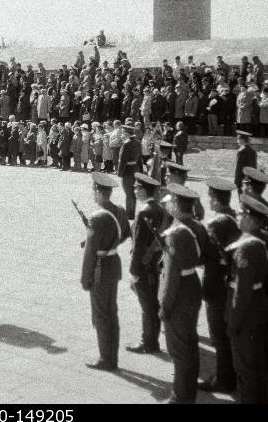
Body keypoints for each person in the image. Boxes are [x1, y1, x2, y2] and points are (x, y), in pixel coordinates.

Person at [159, 183, 204, 403]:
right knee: (190, 342)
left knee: (179, 348)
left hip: (179, 292)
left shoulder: (175, 234)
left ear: (177, 205)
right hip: (192, 284)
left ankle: (181, 395)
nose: (168, 204)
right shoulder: (196, 226)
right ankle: (189, 390)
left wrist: (164, 305)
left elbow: (171, 275)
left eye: (171, 201)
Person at [82, 172, 131, 371]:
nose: (92, 194)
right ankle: (113, 357)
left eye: (93, 190)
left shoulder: (97, 217)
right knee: (112, 312)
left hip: (100, 269)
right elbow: (125, 233)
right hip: (113, 264)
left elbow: (90, 254)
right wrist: (110, 243)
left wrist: (85, 278)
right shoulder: (120, 211)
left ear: (98, 191)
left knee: (101, 315)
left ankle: (106, 359)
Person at [227, 195, 268, 403]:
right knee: (257, 363)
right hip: (258, 307)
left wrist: (234, 323)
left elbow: (242, 291)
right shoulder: (263, 237)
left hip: (246, 314)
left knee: (246, 367)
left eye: (241, 213)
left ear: (250, 219)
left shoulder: (246, 246)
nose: (237, 216)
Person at [198, 177, 239, 394]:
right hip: (229, 282)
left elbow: (209, 257)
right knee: (225, 335)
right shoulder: (232, 217)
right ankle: (229, 375)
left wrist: (206, 290)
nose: (209, 200)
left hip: (216, 285)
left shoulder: (216, 224)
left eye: (210, 196)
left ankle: (224, 380)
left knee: (219, 336)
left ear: (215, 198)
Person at [126, 173, 167, 355]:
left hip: (143, 265)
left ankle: (147, 343)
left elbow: (139, 245)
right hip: (155, 263)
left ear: (143, 190)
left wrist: (133, 270)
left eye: (136, 187)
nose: (134, 190)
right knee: (152, 303)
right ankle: (153, 341)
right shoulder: (159, 209)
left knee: (147, 306)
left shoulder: (144, 212)